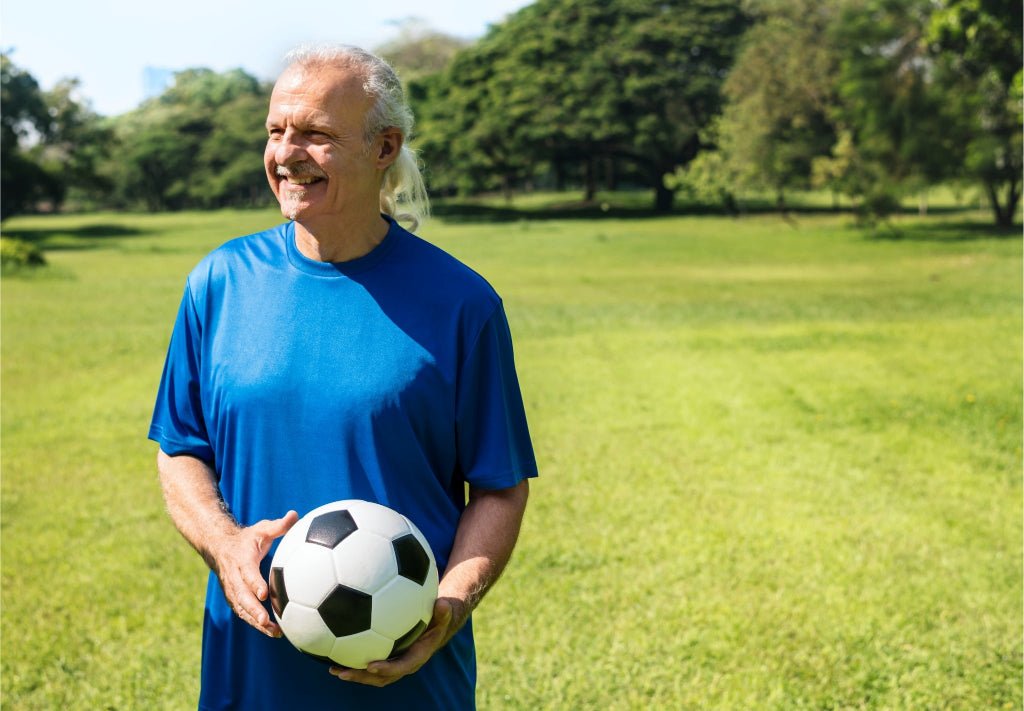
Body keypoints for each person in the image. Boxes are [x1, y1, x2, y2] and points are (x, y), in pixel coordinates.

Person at [149, 44, 537, 711]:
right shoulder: (218, 284)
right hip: (251, 675)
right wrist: (224, 542)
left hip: (408, 682)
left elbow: (499, 488)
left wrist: (448, 603)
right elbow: (180, 448)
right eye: (277, 130)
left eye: (317, 135)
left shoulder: (462, 303)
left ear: (385, 147)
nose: (287, 153)